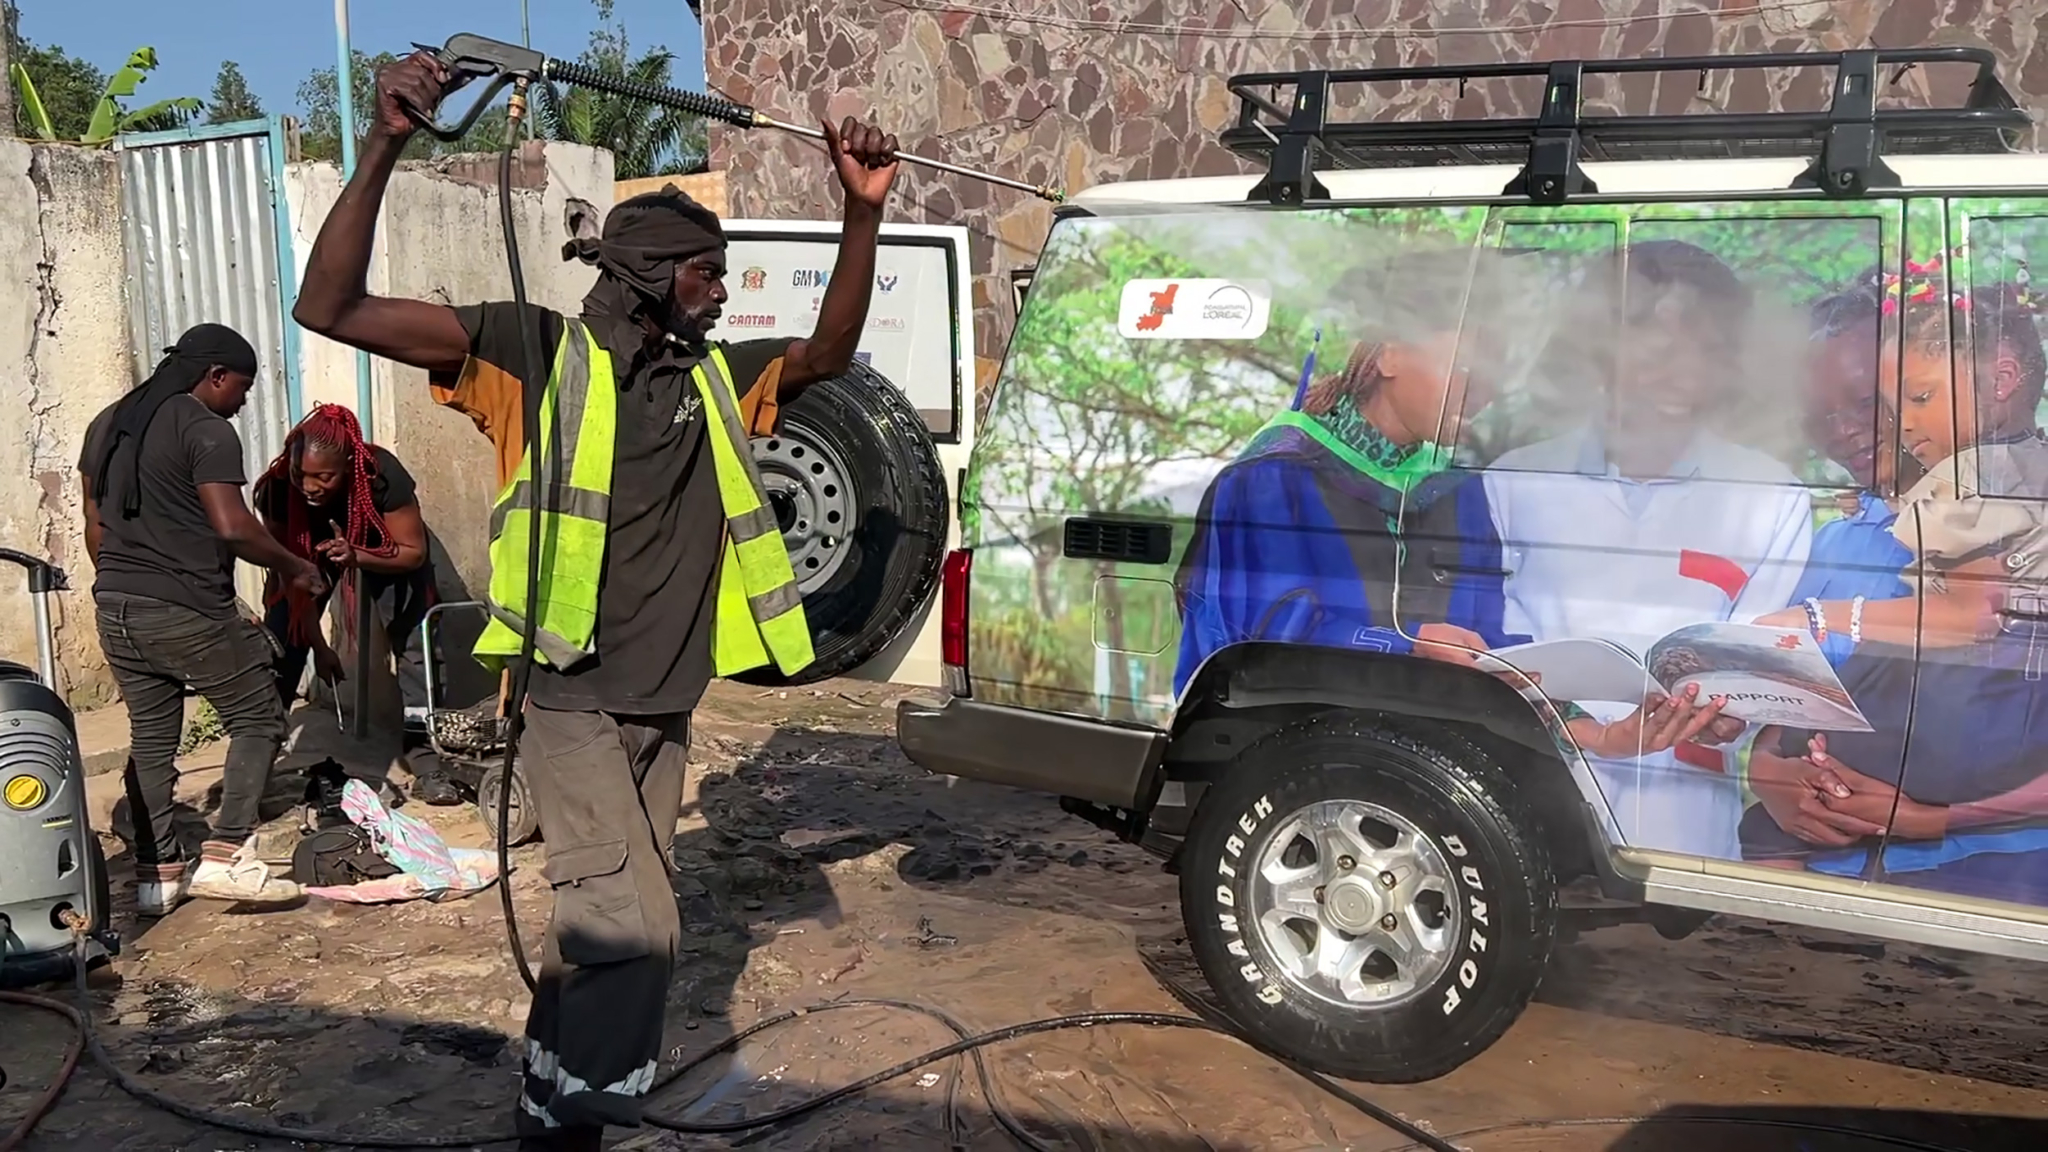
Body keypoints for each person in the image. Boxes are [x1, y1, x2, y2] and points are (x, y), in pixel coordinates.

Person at [291, 50, 901, 1152]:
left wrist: (858, 217)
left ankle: (547, 1110)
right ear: (651, 275)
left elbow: (829, 351)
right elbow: (325, 304)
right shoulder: (531, 355)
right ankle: (590, 1122)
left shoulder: (715, 379)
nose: (722, 288)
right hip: (567, 700)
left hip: (664, 705)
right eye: (707, 271)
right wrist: (385, 141)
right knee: (635, 931)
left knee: (588, 935)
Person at [1477, 240, 1809, 860]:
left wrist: (1737, 715)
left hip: (1685, 829)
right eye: (1658, 347)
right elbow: (1492, 661)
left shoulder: (1772, 495)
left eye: (1707, 351)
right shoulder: (1514, 482)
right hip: (1526, 808)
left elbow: (1757, 674)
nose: (1683, 373)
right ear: (1601, 348)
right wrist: (1595, 734)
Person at [1173, 249, 1528, 697]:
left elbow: (1485, 636)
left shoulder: (1457, 490)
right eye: (1466, 367)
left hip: (1429, 755)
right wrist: (1407, 644)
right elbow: (1261, 635)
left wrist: (1586, 726)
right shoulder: (1277, 477)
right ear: (1390, 357)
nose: (1486, 391)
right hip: (1294, 750)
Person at [79, 323, 322, 913]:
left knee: (153, 739)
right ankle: (229, 853)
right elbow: (233, 527)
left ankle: (156, 874)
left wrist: (124, 582)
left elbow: (94, 523)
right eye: (242, 387)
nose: (243, 401)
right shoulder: (205, 430)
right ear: (214, 376)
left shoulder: (110, 422)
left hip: (116, 604)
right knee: (260, 716)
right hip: (185, 606)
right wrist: (295, 567)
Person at [252, 402, 461, 805]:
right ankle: (256, 762)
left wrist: (357, 556)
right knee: (280, 641)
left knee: (418, 644)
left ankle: (425, 759)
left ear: (349, 465)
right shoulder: (278, 490)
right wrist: (318, 646)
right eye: (301, 474)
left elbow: (412, 552)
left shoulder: (382, 477)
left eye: (324, 477)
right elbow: (291, 586)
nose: (309, 486)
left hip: (383, 547)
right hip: (311, 550)